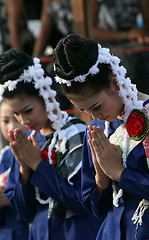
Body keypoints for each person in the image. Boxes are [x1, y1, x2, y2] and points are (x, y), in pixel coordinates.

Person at [53, 33, 149, 239]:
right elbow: (95, 211)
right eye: (83, 109)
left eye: (96, 106)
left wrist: (120, 173)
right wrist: (101, 181)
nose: (94, 116)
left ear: (115, 82)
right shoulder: (97, 129)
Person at [0, 49, 100, 239]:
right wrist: (24, 169)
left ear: (46, 95)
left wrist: (38, 165)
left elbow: (83, 201)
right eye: (16, 113)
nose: (23, 120)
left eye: (28, 110)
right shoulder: (27, 140)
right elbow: (24, 213)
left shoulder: (76, 132)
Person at [90, 0, 149, 95]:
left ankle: (143, 101)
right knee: (126, 60)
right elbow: (92, 32)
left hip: (134, 40)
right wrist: (126, 35)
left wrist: (142, 35)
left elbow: (147, 24)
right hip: (107, 43)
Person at [0, 100, 29, 240]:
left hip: (27, 230)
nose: (11, 127)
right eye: (5, 121)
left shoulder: (36, 151)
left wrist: (12, 199)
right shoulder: (3, 156)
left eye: (17, 119)